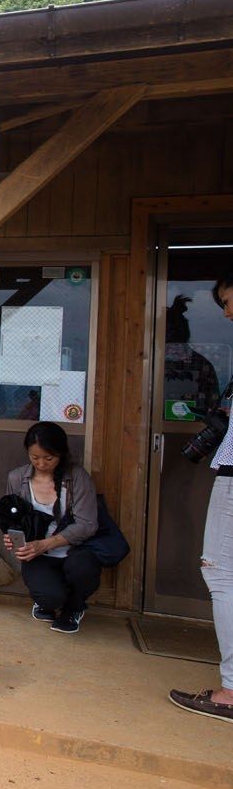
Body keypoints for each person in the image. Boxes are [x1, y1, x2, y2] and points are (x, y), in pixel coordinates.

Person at [169, 269, 233, 723]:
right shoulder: (206, 368)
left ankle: (231, 690)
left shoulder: (204, 367)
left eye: (229, 302)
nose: (227, 313)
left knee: (222, 572)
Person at [1, 422, 101, 634]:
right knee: (49, 597)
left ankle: (74, 607)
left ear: (61, 454)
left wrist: (46, 544)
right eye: (34, 457)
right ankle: (49, 599)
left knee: (84, 567)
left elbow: (87, 524)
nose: (41, 463)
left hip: (74, 551)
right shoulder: (17, 478)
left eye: (49, 458)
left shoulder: (77, 478)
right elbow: (11, 518)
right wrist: (11, 536)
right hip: (39, 556)